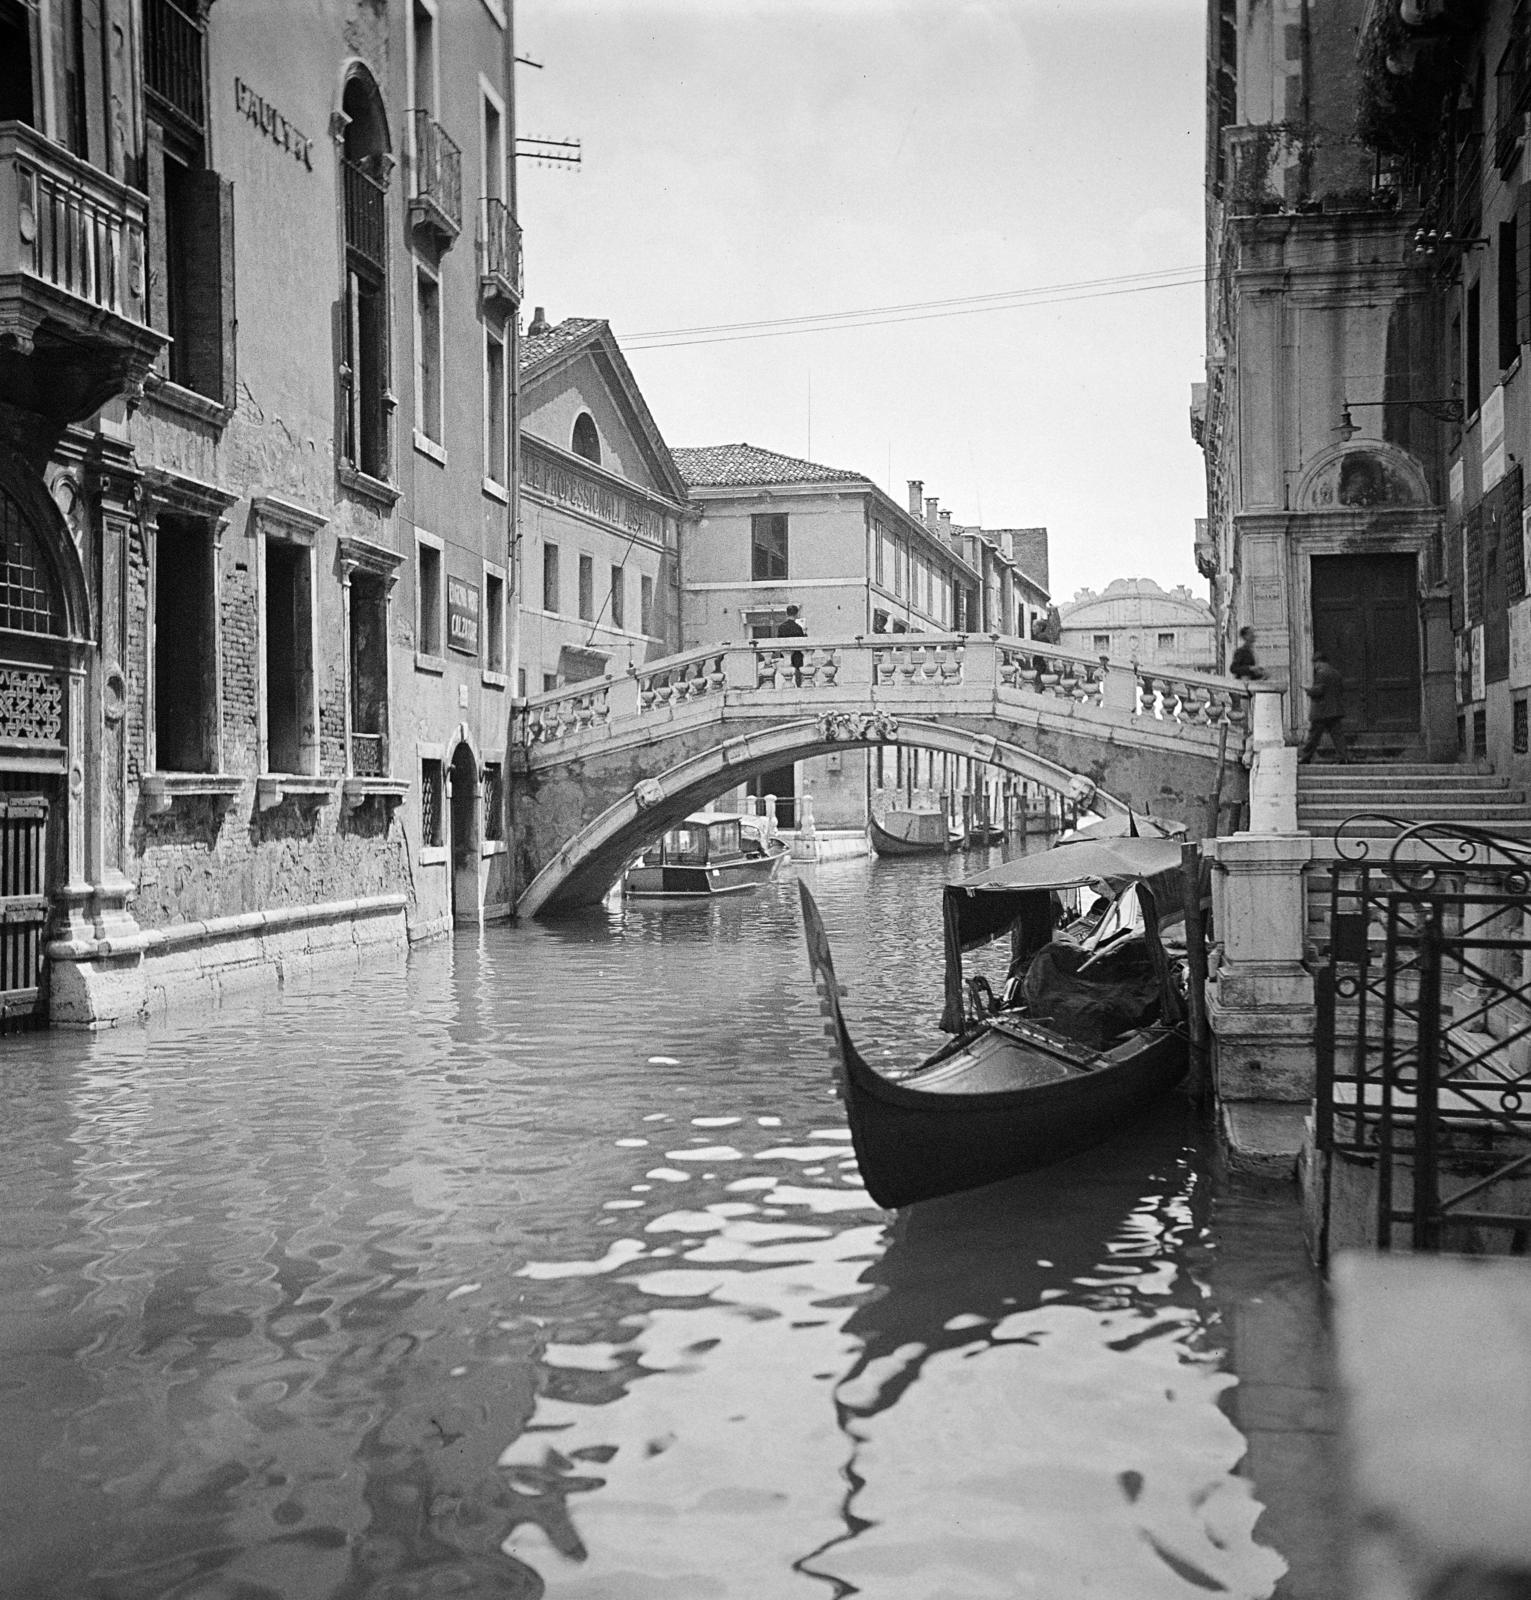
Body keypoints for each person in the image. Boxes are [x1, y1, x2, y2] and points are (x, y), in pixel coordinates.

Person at [1299, 648, 1349, 764]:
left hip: (1321, 711)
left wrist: (1308, 690)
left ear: (1319, 662)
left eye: (1315, 663)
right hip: (1335, 710)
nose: (1315, 666)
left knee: (1313, 737)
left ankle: (1305, 757)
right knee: (1338, 737)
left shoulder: (1322, 674)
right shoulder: (1336, 673)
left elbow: (1319, 691)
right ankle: (1343, 757)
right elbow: (1341, 690)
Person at [777, 604, 806, 686]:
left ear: (786, 614)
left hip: (786, 655)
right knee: (798, 675)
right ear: (796, 614)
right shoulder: (798, 628)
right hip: (797, 655)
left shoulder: (781, 627)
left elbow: (779, 641)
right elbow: (802, 643)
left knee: (786, 676)